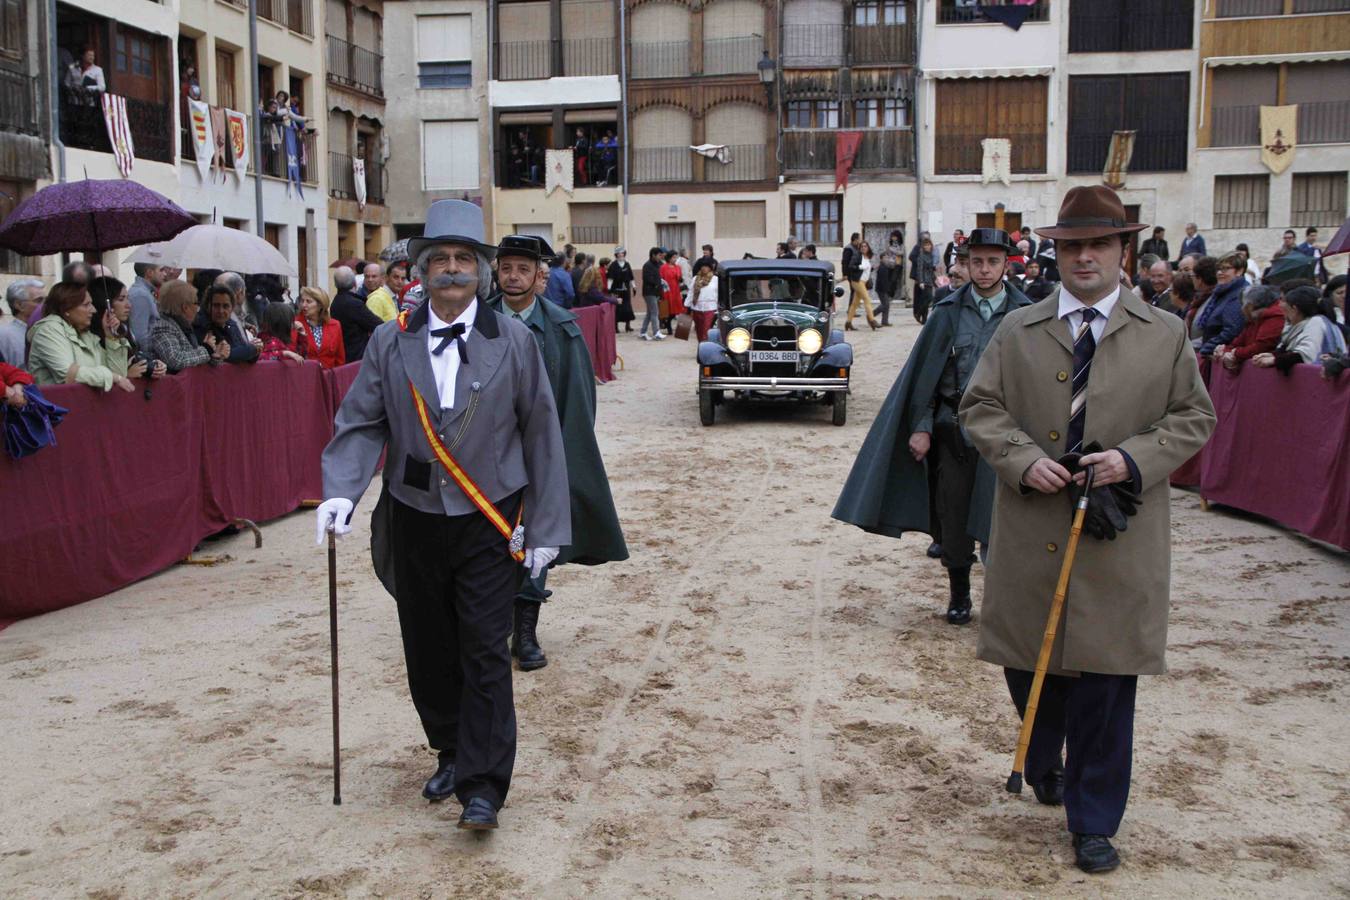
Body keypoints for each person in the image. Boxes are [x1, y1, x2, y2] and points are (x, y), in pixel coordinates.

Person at [959, 185, 1216, 875]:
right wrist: (1023, 459)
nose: (1085, 257)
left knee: (1105, 680)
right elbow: (980, 407)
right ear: (1056, 252)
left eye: (1099, 244)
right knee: (1029, 664)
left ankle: (1094, 818)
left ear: (1123, 251)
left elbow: (1194, 418)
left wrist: (1133, 460)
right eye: (1072, 245)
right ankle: (1046, 762)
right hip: (1030, 528)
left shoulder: (1165, 334)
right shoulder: (1016, 329)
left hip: (1119, 535)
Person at [315, 199, 570, 832]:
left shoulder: (514, 340)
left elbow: (542, 433)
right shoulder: (387, 340)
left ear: (481, 272)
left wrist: (544, 527)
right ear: (419, 271)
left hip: (489, 516)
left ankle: (483, 786)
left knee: (485, 647)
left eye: (463, 260)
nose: (451, 271)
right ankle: (452, 752)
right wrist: (342, 489)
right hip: (414, 513)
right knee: (428, 647)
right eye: (439, 261)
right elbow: (361, 421)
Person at [833, 228, 1030, 626]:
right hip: (953, 430)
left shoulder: (1026, 315)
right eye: (977, 261)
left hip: (1007, 436)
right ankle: (959, 594)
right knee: (953, 520)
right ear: (964, 263)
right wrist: (921, 426)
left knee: (1002, 521)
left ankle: (1003, 602)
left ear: (1006, 264)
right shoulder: (947, 311)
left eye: (993, 261)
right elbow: (925, 377)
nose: (985, 269)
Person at [487, 234, 628, 670]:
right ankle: (490, 629)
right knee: (487, 542)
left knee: (535, 541)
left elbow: (578, 401)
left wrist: (562, 458)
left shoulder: (562, 328)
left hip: (539, 457)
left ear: (537, 276)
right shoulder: (476, 321)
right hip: (484, 460)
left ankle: (525, 631)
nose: (513, 277)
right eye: (506, 268)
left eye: (523, 269)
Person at [28, 282, 134, 392]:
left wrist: (111, 338)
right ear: (67, 308)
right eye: (86, 304)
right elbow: (68, 374)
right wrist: (112, 377)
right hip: (57, 405)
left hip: (85, 406)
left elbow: (119, 374)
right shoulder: (48, 330)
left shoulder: (86, 335)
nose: (93, 310)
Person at [1252, 285, 1347, 372]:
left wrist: (1274, 360)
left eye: (1286, 308)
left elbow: (1304, 355)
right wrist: (1273, 355)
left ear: (1294, 309)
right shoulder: (1310, 323)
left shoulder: (1316, 322)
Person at [88, 277, 165, 380]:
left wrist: (151, 365)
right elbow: (114, 375)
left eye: (127, 298)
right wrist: (126, 375)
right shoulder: (90, 338)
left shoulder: (123, 330)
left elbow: (132, 358)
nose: (129, 305)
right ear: (104, 303)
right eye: (121, 299)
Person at [153, 281, 226, 372]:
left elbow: (194, 357)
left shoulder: (185, 326)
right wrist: (207, 349)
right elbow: (175, 360)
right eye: (196, 303)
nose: (198, 308)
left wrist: (215, 355)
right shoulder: (164, 327)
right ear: (185, 307)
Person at [1216, 285, 1284, 370]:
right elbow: (1236, 343)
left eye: (1243, 305)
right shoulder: (1252, 321)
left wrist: (1235, 353)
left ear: (1250, 306)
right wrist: (1226, 351)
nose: (1242, 309)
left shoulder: (1274, 317)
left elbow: (1262, 346)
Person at [1195, 253, 1248, 359]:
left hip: (1219, 355)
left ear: (1239, 271)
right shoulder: (1222, 292)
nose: (1220, 273)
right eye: (1218, 269)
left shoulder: (1238, 294)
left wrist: (1206, 348)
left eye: (1226, 269)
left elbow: (1232, 330)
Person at [195, 285, 261, 364]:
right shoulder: (200, 325)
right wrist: (251, 349)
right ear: (207, 306)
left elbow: (247, 358)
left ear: (232, 308)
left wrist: (256, 349)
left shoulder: (232, 325)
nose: (221, 311)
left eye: (225, 306)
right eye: (216, 305)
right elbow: (223, 356)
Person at [330, 265, 383, 362]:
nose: (370, 280)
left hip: (345, 354)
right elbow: (377, 324)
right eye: (367, 276)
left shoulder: (335, 302)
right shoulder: (354, 304)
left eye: (374, 276)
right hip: (356, 356)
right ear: (354, 283)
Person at [295, 286, 346, 369]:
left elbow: (340, 358)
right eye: (302, 301)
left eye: (308, 301)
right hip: (304, 376)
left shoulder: (335, 325)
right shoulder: (296, 324)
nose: (304, 305)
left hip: (329, 377)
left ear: (320, 305)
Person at [1, 279, 44, 368]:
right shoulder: (4, 335)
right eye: (39, 301)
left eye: (46, 300)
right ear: (19, 305)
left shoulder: (48, 330)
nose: (44, 305)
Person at [842, 233, 878, 331]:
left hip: (863, 281)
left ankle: (848, 322)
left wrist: (871, 268)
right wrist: (860, 267)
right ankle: (872, 320)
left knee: (855, 303)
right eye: (862, 246)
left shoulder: (867, 257)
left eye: (865, 246)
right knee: (867, 299)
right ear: (859, 248)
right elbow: (850, 266)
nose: (863, 248)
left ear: (868, 248)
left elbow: (866, 269)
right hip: (857, 281)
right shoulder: (857, 256)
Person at [128, 263, 164, 348]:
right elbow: (140, 335)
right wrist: (150, 358)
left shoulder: (146, 292)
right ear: (150, 273)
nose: (164, 274)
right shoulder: (141, 295)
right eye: (161, 270)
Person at [607, 248, 635, 333]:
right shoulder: (613, 265)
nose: (621, 255)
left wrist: (634, 286)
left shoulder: (627, 264)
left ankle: (628, 325)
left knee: (627, 307)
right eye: (619, 254)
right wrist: (609, 288)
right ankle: (615, 327)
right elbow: (610, 278)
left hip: (626, 289)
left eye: (622, 253)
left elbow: (631, 277)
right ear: (616, 255)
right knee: (617, 308)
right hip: (616, 289)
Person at [639, 247, 665, 341]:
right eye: (659, 255)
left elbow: (661, 275)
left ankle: (643, 332)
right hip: (649, 292)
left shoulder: (659, 264)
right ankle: (656, 333)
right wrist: (658, 283)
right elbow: (647, 279)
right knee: (655, 312)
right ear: (653, 255)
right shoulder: (647, 265)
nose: (660, 257)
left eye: (661, 255)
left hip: (656, 292)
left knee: (650, 313)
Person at [688, 263, 718, 341]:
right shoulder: (695, 278)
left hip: (710, 308)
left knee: (706, 330)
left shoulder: (715, 279)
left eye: (706, 266)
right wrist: (687, 305)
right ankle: (701, 347)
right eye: (703, 266)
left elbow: (718, 293)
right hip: (697, 307)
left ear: (710, 268)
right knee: (699, 331)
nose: (704, 268)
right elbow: (691, 292)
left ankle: (706, 348)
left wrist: (719, 306)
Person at [911, 235, 937, 324]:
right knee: (929, 298)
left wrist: (935, 279)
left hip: (929, 279)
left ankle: (924, 319)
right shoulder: (921, 256)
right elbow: (919, 269)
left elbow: (931, 269)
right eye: (925, 245)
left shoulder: (931, 255)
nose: (927, 246)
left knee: (926, 299)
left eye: (928, 245)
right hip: (924, 280)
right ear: (923, 246)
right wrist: (921, 281)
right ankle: (918, 313)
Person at [874, 251, 901, 327]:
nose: (887, 259)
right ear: (881, 259)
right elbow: (882, 281)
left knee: (886, 305)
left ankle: (884, 321)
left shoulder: (886, 266)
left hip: (884, 289)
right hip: (881, 289)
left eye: (887, 257)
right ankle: (871, 314)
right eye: (885, 257)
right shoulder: (882, 267)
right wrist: (886, 289)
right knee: (885, 304)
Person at [660, 249, 684, 333]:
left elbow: (680, 278)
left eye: (676, 257)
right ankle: (668, 326)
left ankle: (669, 324)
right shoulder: (663, 267)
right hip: (667, 291)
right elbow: (661, 279)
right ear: (669, 258)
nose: (675, 259)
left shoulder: (678, 267)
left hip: (676, 290)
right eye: (674, 257)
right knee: (667, 309)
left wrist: (681, 279)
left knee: (676, 310)